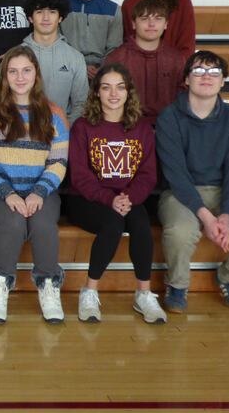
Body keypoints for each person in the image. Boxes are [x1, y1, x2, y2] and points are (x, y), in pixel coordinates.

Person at [156, 50, 229, 313]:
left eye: (214, 72)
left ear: (223, 81)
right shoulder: (169, 117)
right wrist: (207, 218)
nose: (205, 77)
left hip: (224, 192)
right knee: (180, 231)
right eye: (198, 71)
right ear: (186, 79)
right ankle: (177, 285)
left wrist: (227, 217)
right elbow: (175, 174)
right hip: (180, 192)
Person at [0, 45, 69, 324]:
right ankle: (0, 285)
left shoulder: (54, 114)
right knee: (13, 222)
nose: (20, 77)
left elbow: (58, 163)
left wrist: (38, 193)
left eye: (26, 70)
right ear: (4, 76)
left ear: (36, 74)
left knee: (43, 224)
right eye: (13, 71)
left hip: (42, 190)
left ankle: (49, 285)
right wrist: (8, 193)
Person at [66, 63, 166, 324]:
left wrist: (128, 198)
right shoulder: (82, 127)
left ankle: (143, 294)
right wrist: (109, 199)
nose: (113, 94)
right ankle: (89, 291)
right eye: (106, 87)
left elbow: (147, 174)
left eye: (120, 87)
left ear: (128, 92)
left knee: (141, 224)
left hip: (128, 197)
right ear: (96, 92)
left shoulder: (141, 128)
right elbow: (79, 175)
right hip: (86, 199)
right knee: (112, 223)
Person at [104, 0, 186, 124]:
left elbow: (184, 100)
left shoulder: (176, 59)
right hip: (127, 126)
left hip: (168, 127)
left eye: (158, 19)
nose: (151, 24)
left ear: (166, 24)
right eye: (144, 18)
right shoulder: (116, 59)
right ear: (133, 24)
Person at [22, 0, 88, 123]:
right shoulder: (16, 55)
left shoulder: (75, 58)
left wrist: (64, 129)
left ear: (60, 18)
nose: (46, 18)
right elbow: (5, 99)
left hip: (62, 134)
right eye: (39, 12)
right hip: (22, 131)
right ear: (30, 18)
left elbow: (81, 103)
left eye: (52, 12)